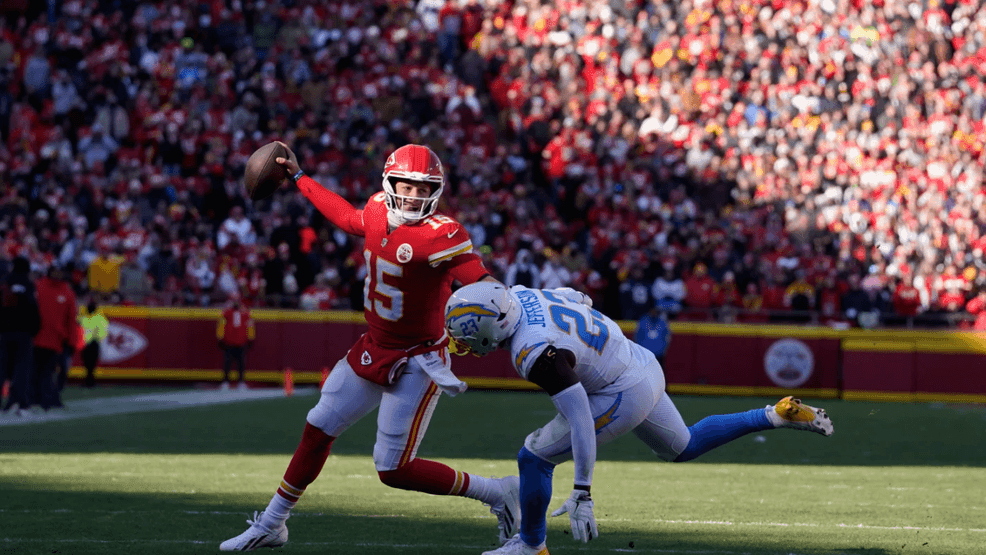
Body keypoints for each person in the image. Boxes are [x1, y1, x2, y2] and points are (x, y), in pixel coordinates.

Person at [220, 143, 521, 551]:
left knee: (392, 469)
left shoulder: (443, 234)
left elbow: (476, 275)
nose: (414, 195)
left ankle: (497, 492)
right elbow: (347, 218)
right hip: (375, 346)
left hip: (418, 359)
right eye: (406, 185)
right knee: (317, 426)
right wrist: (299, 177)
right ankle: (273, 523)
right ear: (390, 181)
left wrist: (497, 295)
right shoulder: (378, 208)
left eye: (423, 188)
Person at [444, 282, 835, 555]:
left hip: (619, 392)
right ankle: (775, 414)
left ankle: (531, 545)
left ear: (489, 327)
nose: (462, 344)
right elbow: (577, 297)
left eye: (465, 334)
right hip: (640, 364)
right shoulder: (522, 295)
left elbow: (579, 415)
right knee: (684, 446)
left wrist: (583, 489)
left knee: (534, 457)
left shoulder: (530, 351)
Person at [0, 256, 41, 415]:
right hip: (23, 332)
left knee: (2, 368)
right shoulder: (28, 284)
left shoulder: (5, 283)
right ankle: (20, 403)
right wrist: (34, 329)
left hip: (5, 332)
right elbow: (33, 308)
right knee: (22, 368)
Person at [32, 265, 77, 410]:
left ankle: (47, 398)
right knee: (37, 370)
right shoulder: (38, 287)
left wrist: (71, 341)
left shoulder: (67, 292)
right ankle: (39, 398)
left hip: (56, 340)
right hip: (37, 337)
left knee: (49, 371)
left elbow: (71, 319)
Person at [217, 296, 255, 390]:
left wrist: (250, 337)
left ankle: (241, 382)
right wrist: (220, 337)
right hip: (229, 341)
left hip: (241, 342)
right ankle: (225, 382)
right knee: (227, 363)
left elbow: (250, 325)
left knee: (241, 363)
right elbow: (221, 324)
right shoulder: (227, 312)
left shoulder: (245, 313)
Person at [78, 298, 109, 388]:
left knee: (87, 364)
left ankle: (89, 380)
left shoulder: (83, 318)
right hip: (94, 343)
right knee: (91, 364)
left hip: (86, 344)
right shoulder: (100, 318)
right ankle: (90, 380)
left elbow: (79, 329)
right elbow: (103, 331)